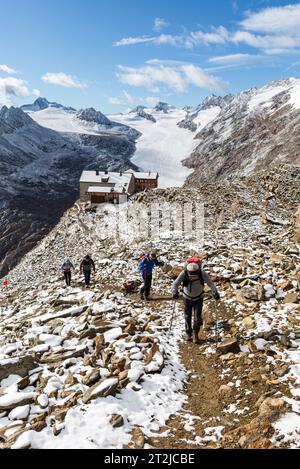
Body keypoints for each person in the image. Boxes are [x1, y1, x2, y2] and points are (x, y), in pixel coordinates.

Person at [172, 260, 220, 345]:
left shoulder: (202, 273)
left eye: (194, 274)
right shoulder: (184, 273)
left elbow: (211, 284)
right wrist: (174, 292)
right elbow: (175, 284)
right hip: (187, 298)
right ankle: (188, 333)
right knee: (187, 316)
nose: (193, 276)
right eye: (191, 274)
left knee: (197, 317)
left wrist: (214, 292)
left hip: (199, 298)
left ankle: (195, 334)